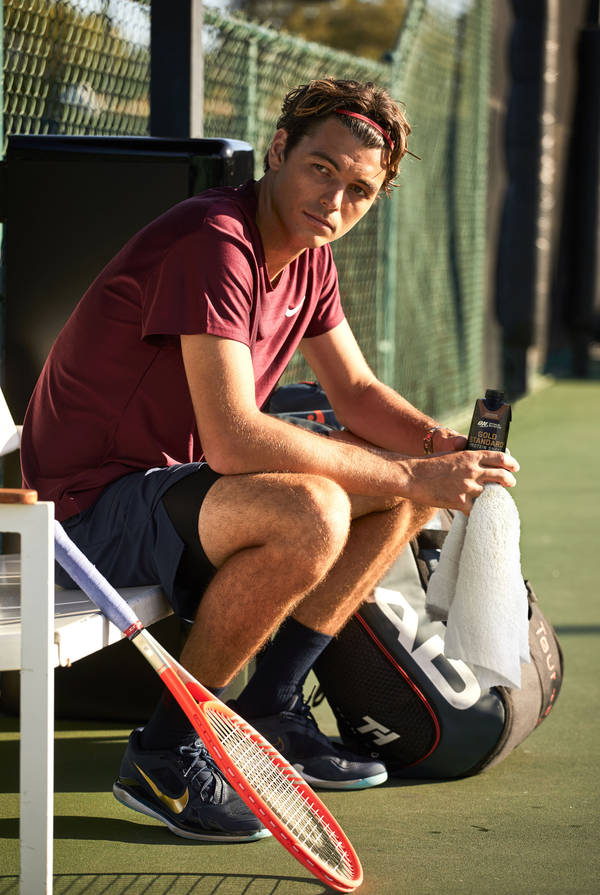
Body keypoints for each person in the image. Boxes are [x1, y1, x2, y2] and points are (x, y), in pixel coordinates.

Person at [21, 78, 519, 843]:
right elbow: (233, 438)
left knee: (396, 490)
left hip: (169, 492)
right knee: (313, 511)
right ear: (280, 150)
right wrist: (411, 471)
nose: (335, 200)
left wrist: (439, 450)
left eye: (359, 189)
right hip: (80, 515)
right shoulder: (212, 240)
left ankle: (271, 710)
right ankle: (164, 752)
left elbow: (353, 388)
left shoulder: (308, 257)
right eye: (322, 168)